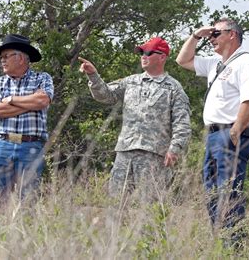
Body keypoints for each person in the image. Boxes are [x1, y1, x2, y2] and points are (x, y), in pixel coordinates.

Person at [176, 18, 249, 244]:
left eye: (216, 33)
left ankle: (235, 246)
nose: (211, 38)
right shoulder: (216, 64)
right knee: (213, 193)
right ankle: (222, 243)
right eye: (211, 34)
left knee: (228, 192)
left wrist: (235, 132)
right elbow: (182, 60)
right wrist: (196, 35)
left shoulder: (246, 62)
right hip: (214, 135)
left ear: (232, 34)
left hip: (231, 133)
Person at [79, 37, 191, 201]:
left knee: (149, 209)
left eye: (148, 52)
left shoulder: (173, 88)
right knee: (116, 204)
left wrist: (175, 149)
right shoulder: (131, 81)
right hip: (125, 153)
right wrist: (93, 75)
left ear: (162, 57)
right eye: (142, 52)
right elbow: (106, 96)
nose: (143, 56)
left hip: (154, 156)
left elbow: (182, 123)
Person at [0, 34, 53, 212]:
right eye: (1, 58)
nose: (2, 61)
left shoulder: (42, 78)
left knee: (28, 203)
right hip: (2, 144)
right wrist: (29, 104)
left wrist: (11, 99)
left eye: (6, 56)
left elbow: (42, 101)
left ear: (21, 57)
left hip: (31, 146)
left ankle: (26, 239)